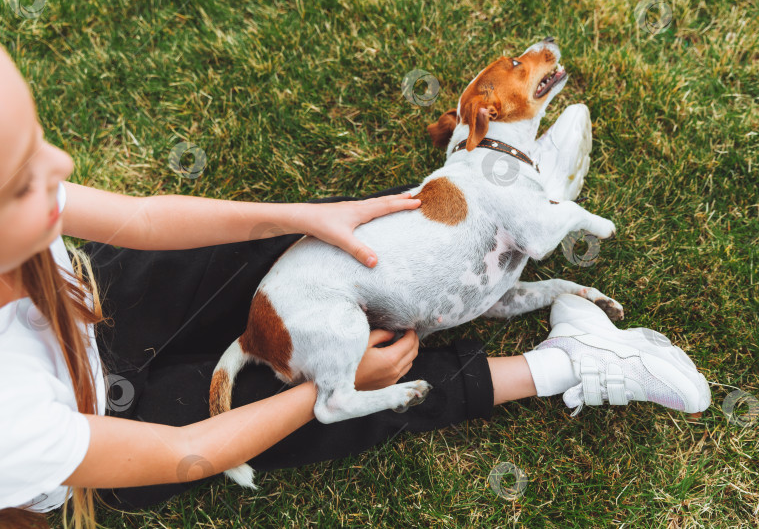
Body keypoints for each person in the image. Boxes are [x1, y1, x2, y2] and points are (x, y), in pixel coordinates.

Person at [0, 44, 710, 529]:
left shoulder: (24, 217)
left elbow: (144, 219)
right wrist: (328, 388)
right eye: (27, 172)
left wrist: (300, 216)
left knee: (336, 244)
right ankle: (567, 360)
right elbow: (201, 452)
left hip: (96, 301)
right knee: (294, 406)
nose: (60, 163)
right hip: (117, 436)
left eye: (38, 142)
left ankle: (502, 173)